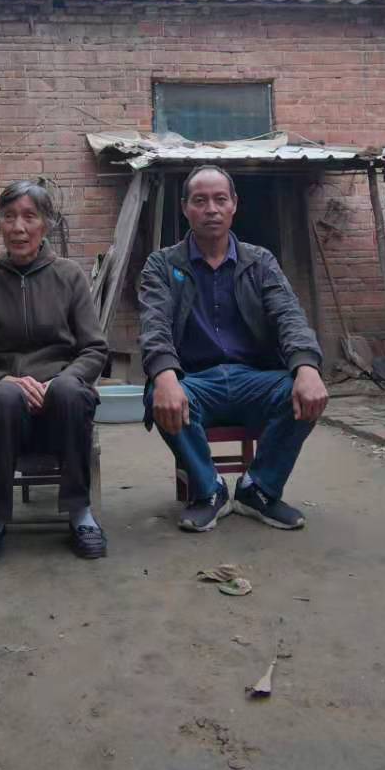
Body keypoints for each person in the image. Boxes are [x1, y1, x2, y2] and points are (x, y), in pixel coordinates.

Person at [138, 164, 330, 532]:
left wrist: (307, 366)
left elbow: (288, 315)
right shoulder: (162, 265)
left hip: (253, 380)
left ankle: (258, 489)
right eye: (200, 200)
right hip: (195, 382)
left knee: (304, 391)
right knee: (160, 394)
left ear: (234, 205)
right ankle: (209, 492)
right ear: (185, 207)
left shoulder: (260, 262)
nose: (211, 209)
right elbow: (154, 325)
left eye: (220, 199)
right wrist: (164, 375)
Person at [0, 180, 109, 563]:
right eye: (9, 217)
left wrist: (61, 380)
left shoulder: (69, 277)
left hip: (62, 403)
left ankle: (80, 514)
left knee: (70, 393)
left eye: (29, 217)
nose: (19, 227)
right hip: (6, 407)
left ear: (47, 224)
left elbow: (94, 349)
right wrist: (4, 380)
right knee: (5, 397)